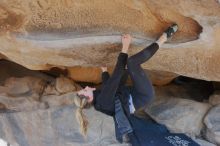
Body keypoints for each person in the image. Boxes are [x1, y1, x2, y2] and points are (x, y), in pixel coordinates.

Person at [74, 24, 199, 146]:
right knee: (132, 62)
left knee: (127, 67)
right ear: (88, 98)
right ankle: (164, 37)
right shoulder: (102, 100)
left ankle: (160, 40)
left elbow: (109, 87)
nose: (85, 88)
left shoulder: (99, 101)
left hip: (130, 93)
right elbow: (116, 78)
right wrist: (125, 47)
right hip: (142, 95)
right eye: (84, 91)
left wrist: (104, 72)